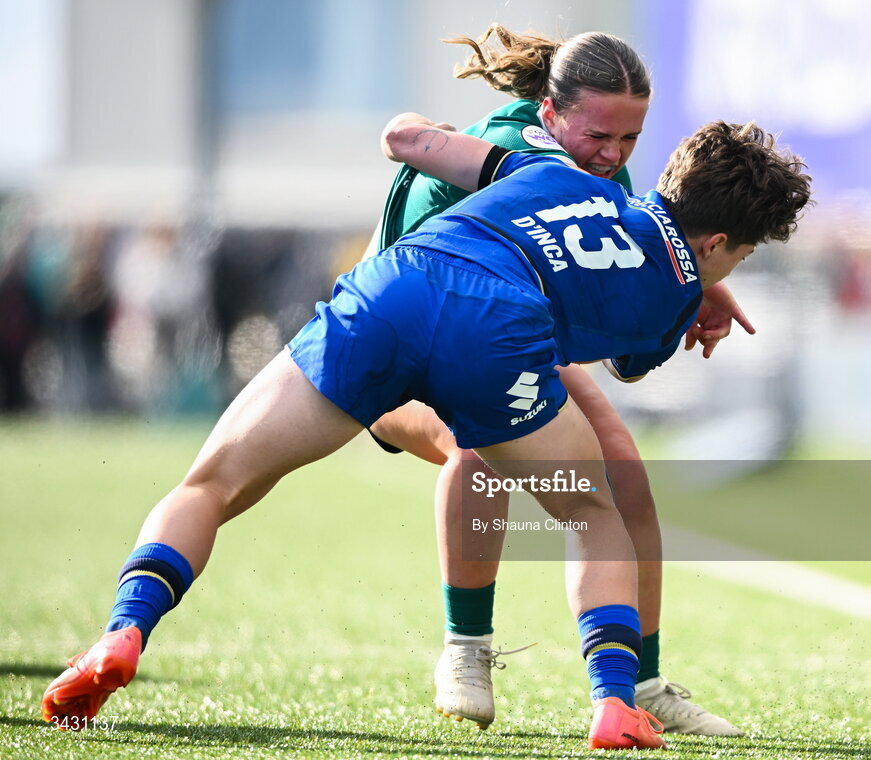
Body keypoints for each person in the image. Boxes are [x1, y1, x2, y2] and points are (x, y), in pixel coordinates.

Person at [41, 114, 811, 750]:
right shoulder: (681, 288)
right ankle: (614, 704)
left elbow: (421, 144)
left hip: (396, 286)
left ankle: (124, 630)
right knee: (592, 510)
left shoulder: (558, 171)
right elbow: (633, 359)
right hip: (495, 331)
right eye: (739, 254)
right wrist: (696, 294)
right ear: (716, 246)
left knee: (211, 484)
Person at [365, 25, 752, 735]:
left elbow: (610, 309)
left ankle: (643, 681)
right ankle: (466, 650)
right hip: (393, 355)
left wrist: (689, 286)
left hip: (515, 347)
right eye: (599, 136)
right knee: (475, 445)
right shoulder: (491, 157)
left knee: (623, 470)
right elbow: (408, 284)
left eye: (630, 139)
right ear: (550, 113)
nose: (613, 157)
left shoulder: (607, 178)